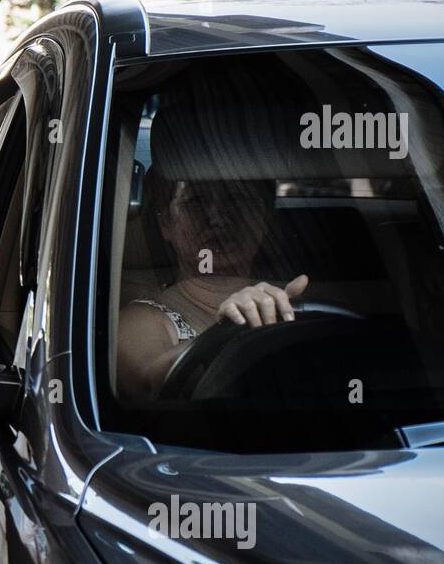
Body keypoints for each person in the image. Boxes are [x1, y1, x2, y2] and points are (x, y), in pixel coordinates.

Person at [115, 171, 307, 402]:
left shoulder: (297, 301)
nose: (217, 218)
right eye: (195, 201)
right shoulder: (141, 318)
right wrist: (233, 332)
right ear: (166, 222)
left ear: (264, 219)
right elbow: (150, 384)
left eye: (237, 199)